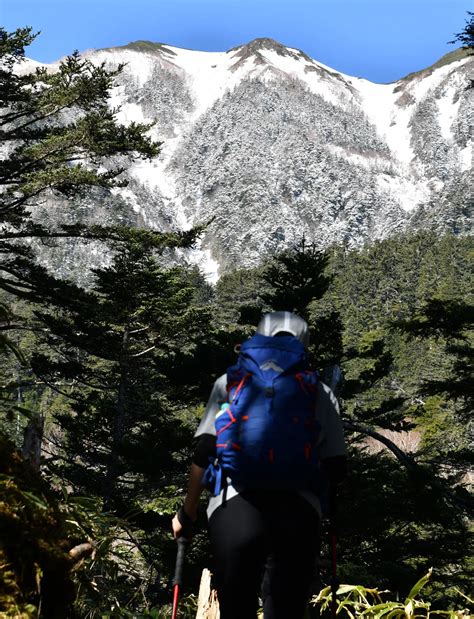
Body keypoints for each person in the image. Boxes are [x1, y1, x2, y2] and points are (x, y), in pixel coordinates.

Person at [172, 311, 347, 619]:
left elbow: (204, 451)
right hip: (298, 511)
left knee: (236, 606)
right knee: (285, 608)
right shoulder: (319, 390)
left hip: (233, 506)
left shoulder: (229, 382)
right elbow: (336, 466)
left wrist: (187, 513)